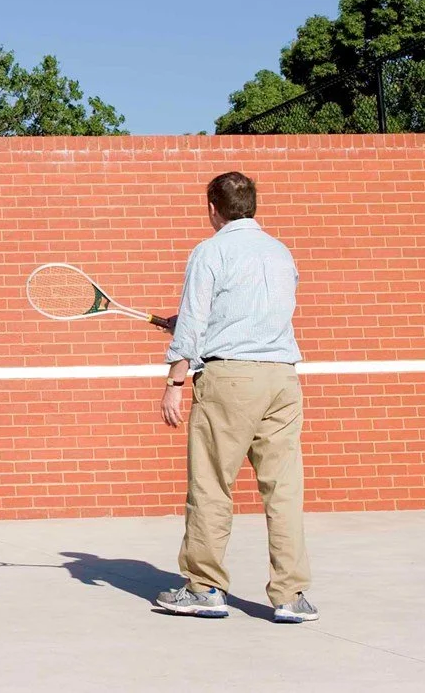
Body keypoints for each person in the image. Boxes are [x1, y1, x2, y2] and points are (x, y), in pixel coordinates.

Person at [155, 171, 318, 624]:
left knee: (210, 486)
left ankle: (205, 588)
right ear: (252, 206)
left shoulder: (211, 251)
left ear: (212, 208)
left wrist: (174, 380)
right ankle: (292, 597)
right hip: (283, 380)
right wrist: (198, 328)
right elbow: (253, 311)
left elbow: (193, 319)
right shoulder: (281, 253)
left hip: (230, 380)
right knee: (283, 491)